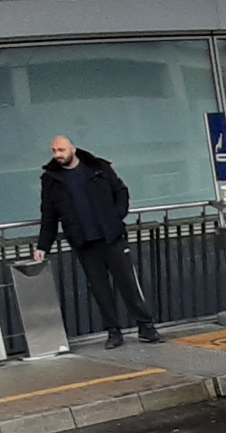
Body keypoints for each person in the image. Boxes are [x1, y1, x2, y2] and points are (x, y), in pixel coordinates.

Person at [34, 135, 160, 348]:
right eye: (54, 151)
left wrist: (116, 215)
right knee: (100, 290)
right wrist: (42, 246)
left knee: (129, 284)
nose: (57, 154)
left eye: (61, 150)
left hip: (111, 237)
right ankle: (113, 332)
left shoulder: (97, 167)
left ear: (72, 149)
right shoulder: (51, 180)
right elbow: (49, 216)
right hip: (84, 243)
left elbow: (121, 191)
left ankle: (146, 327)